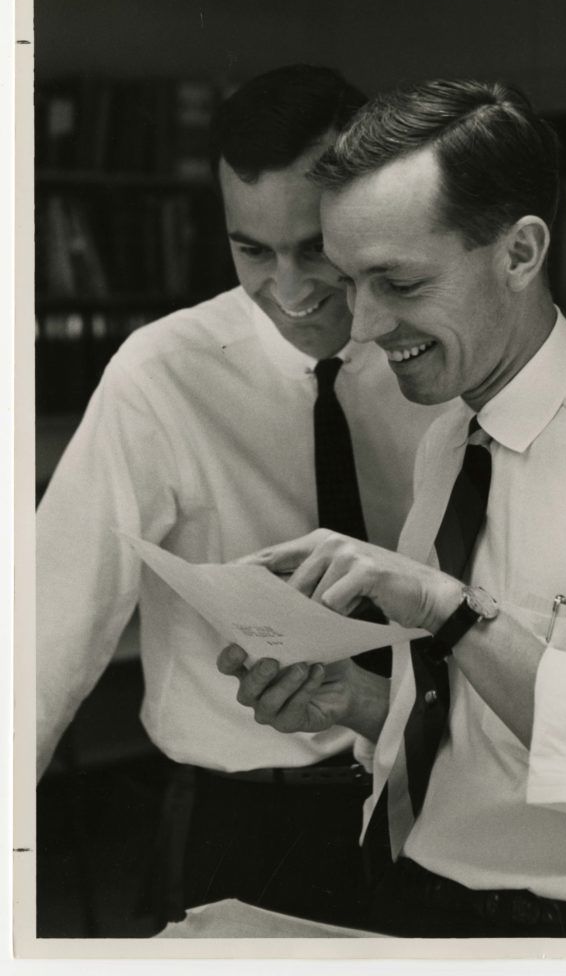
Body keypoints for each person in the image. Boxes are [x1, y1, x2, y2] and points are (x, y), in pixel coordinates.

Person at [219, 78, 566, 937]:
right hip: (410, 904)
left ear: (519, 254)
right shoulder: (449, 441)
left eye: (397, 283)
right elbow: (476, 735)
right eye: (349, 283)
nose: (362, 325)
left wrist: (454, 614)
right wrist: (364, 706)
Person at [35, 65, 440, 929]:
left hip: (434, 801)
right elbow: (45, 636)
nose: (289, 293)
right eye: (252, 250)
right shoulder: (159, 374)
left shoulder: (435, 361)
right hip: (241, 819)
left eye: (315, 248)